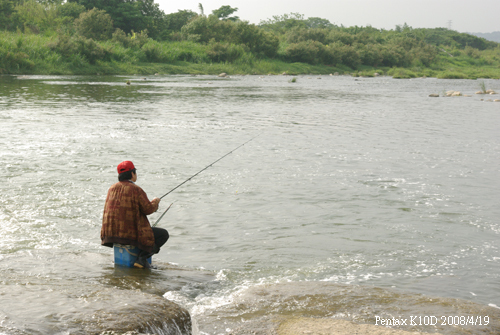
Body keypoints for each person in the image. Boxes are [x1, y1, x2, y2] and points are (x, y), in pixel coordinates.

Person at [101, 161, 169, 269]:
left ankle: (133, 260)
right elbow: (148, 209)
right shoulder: (136, 189)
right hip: (129, 234)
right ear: (132, 174)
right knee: (163, 234)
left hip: (110, 234)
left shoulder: (111, 188)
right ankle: (142, 259)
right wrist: (155, 201)